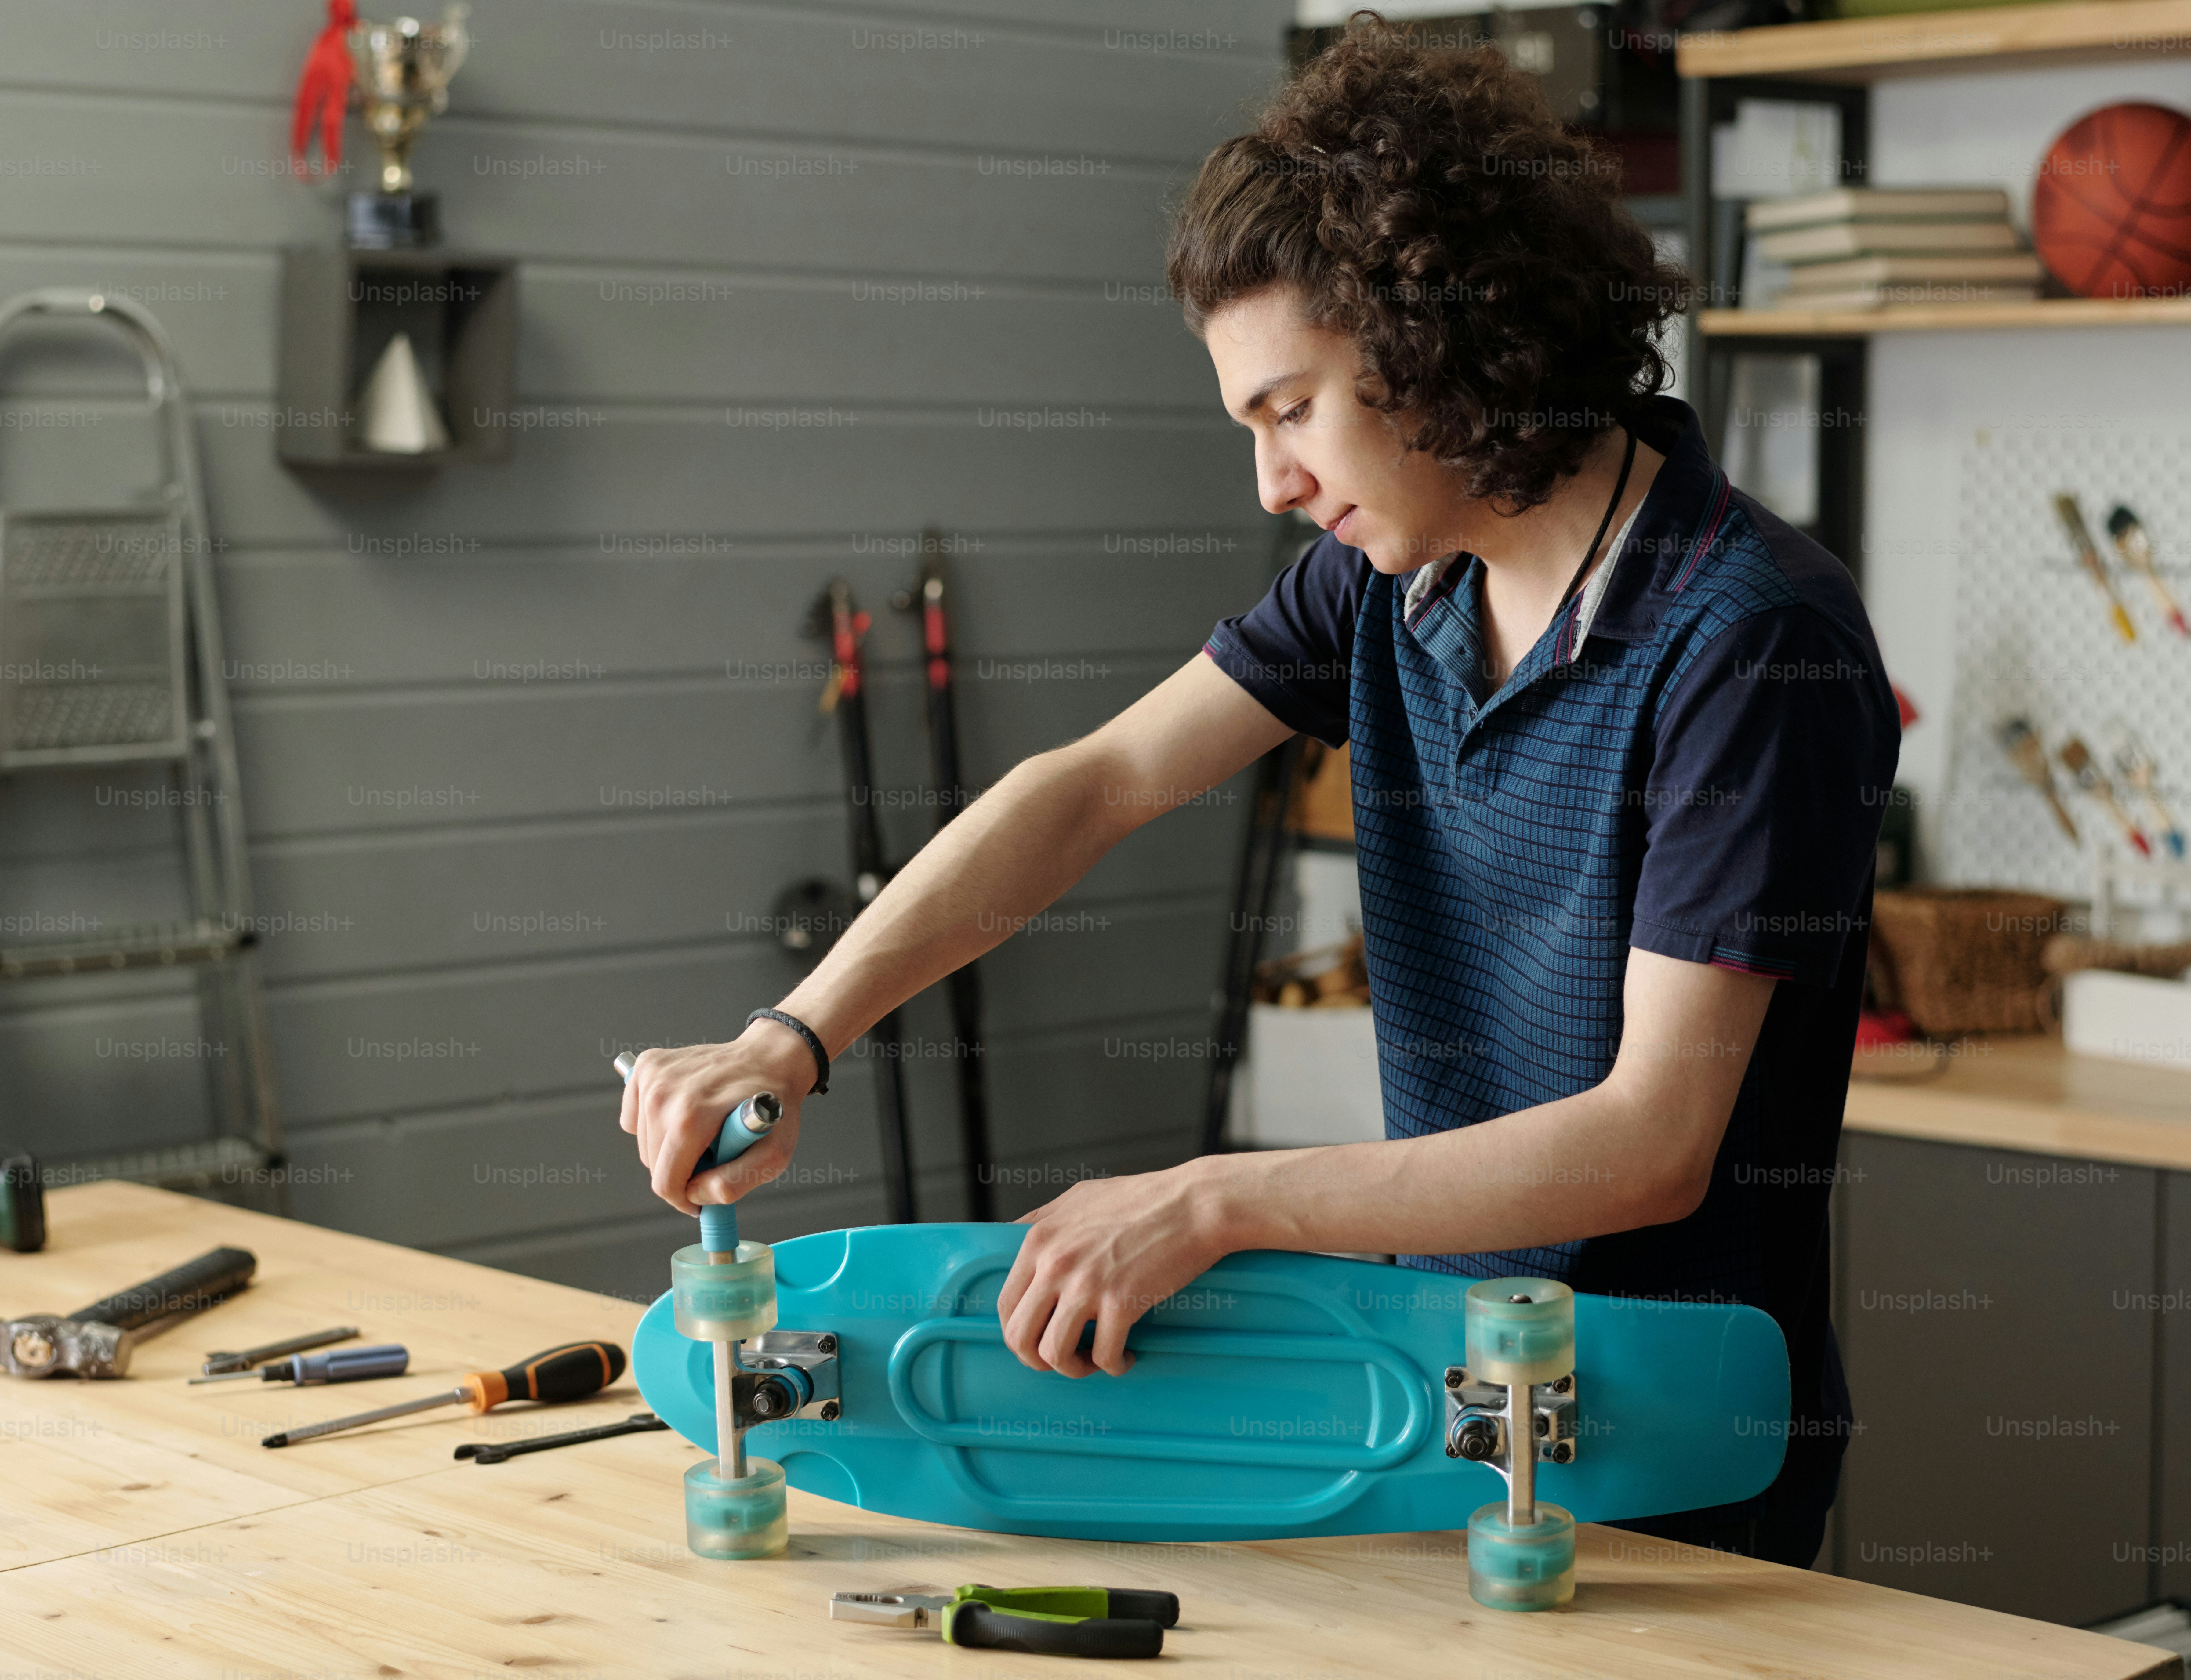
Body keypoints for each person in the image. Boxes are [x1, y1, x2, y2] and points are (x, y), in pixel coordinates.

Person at [619, 20, 1899, 1567]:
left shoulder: (1752, 636)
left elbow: (1651, 1138)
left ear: (1442, 339)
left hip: (1670, 1455)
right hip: (1433, 1405)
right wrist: (794, 1033)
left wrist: (1216, 1201)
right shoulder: (1386, 585)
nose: (1274, 483)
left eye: (1292, 408)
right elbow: (1093, 784)